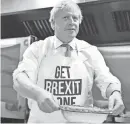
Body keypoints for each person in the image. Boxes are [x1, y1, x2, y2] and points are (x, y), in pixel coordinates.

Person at [13, 0, 124, 123]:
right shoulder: (38, 49)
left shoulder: (90, 51)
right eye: (66, 17)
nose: (72, 22)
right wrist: (38, 94)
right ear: (53, 23)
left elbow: (106, 78)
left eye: (75, 18)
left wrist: (115, 93)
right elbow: (19, 79)